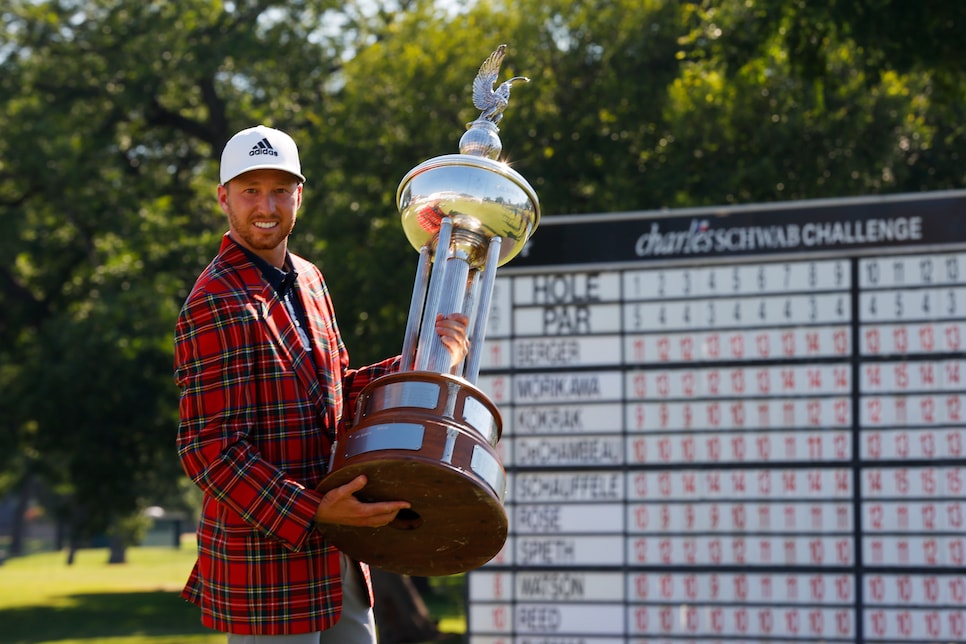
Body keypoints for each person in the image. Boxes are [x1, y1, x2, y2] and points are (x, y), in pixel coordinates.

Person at [174, 124, 469, 643]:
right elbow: (209, 451)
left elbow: (340, 394)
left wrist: (423, 359)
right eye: (250, 191)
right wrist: (313, 510)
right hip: (267, 567)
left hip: (338, 554)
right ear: (224, 198)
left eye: (279, 190)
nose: (266, 205)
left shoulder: (309, 278)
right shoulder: (213, 301)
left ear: (299, 196)